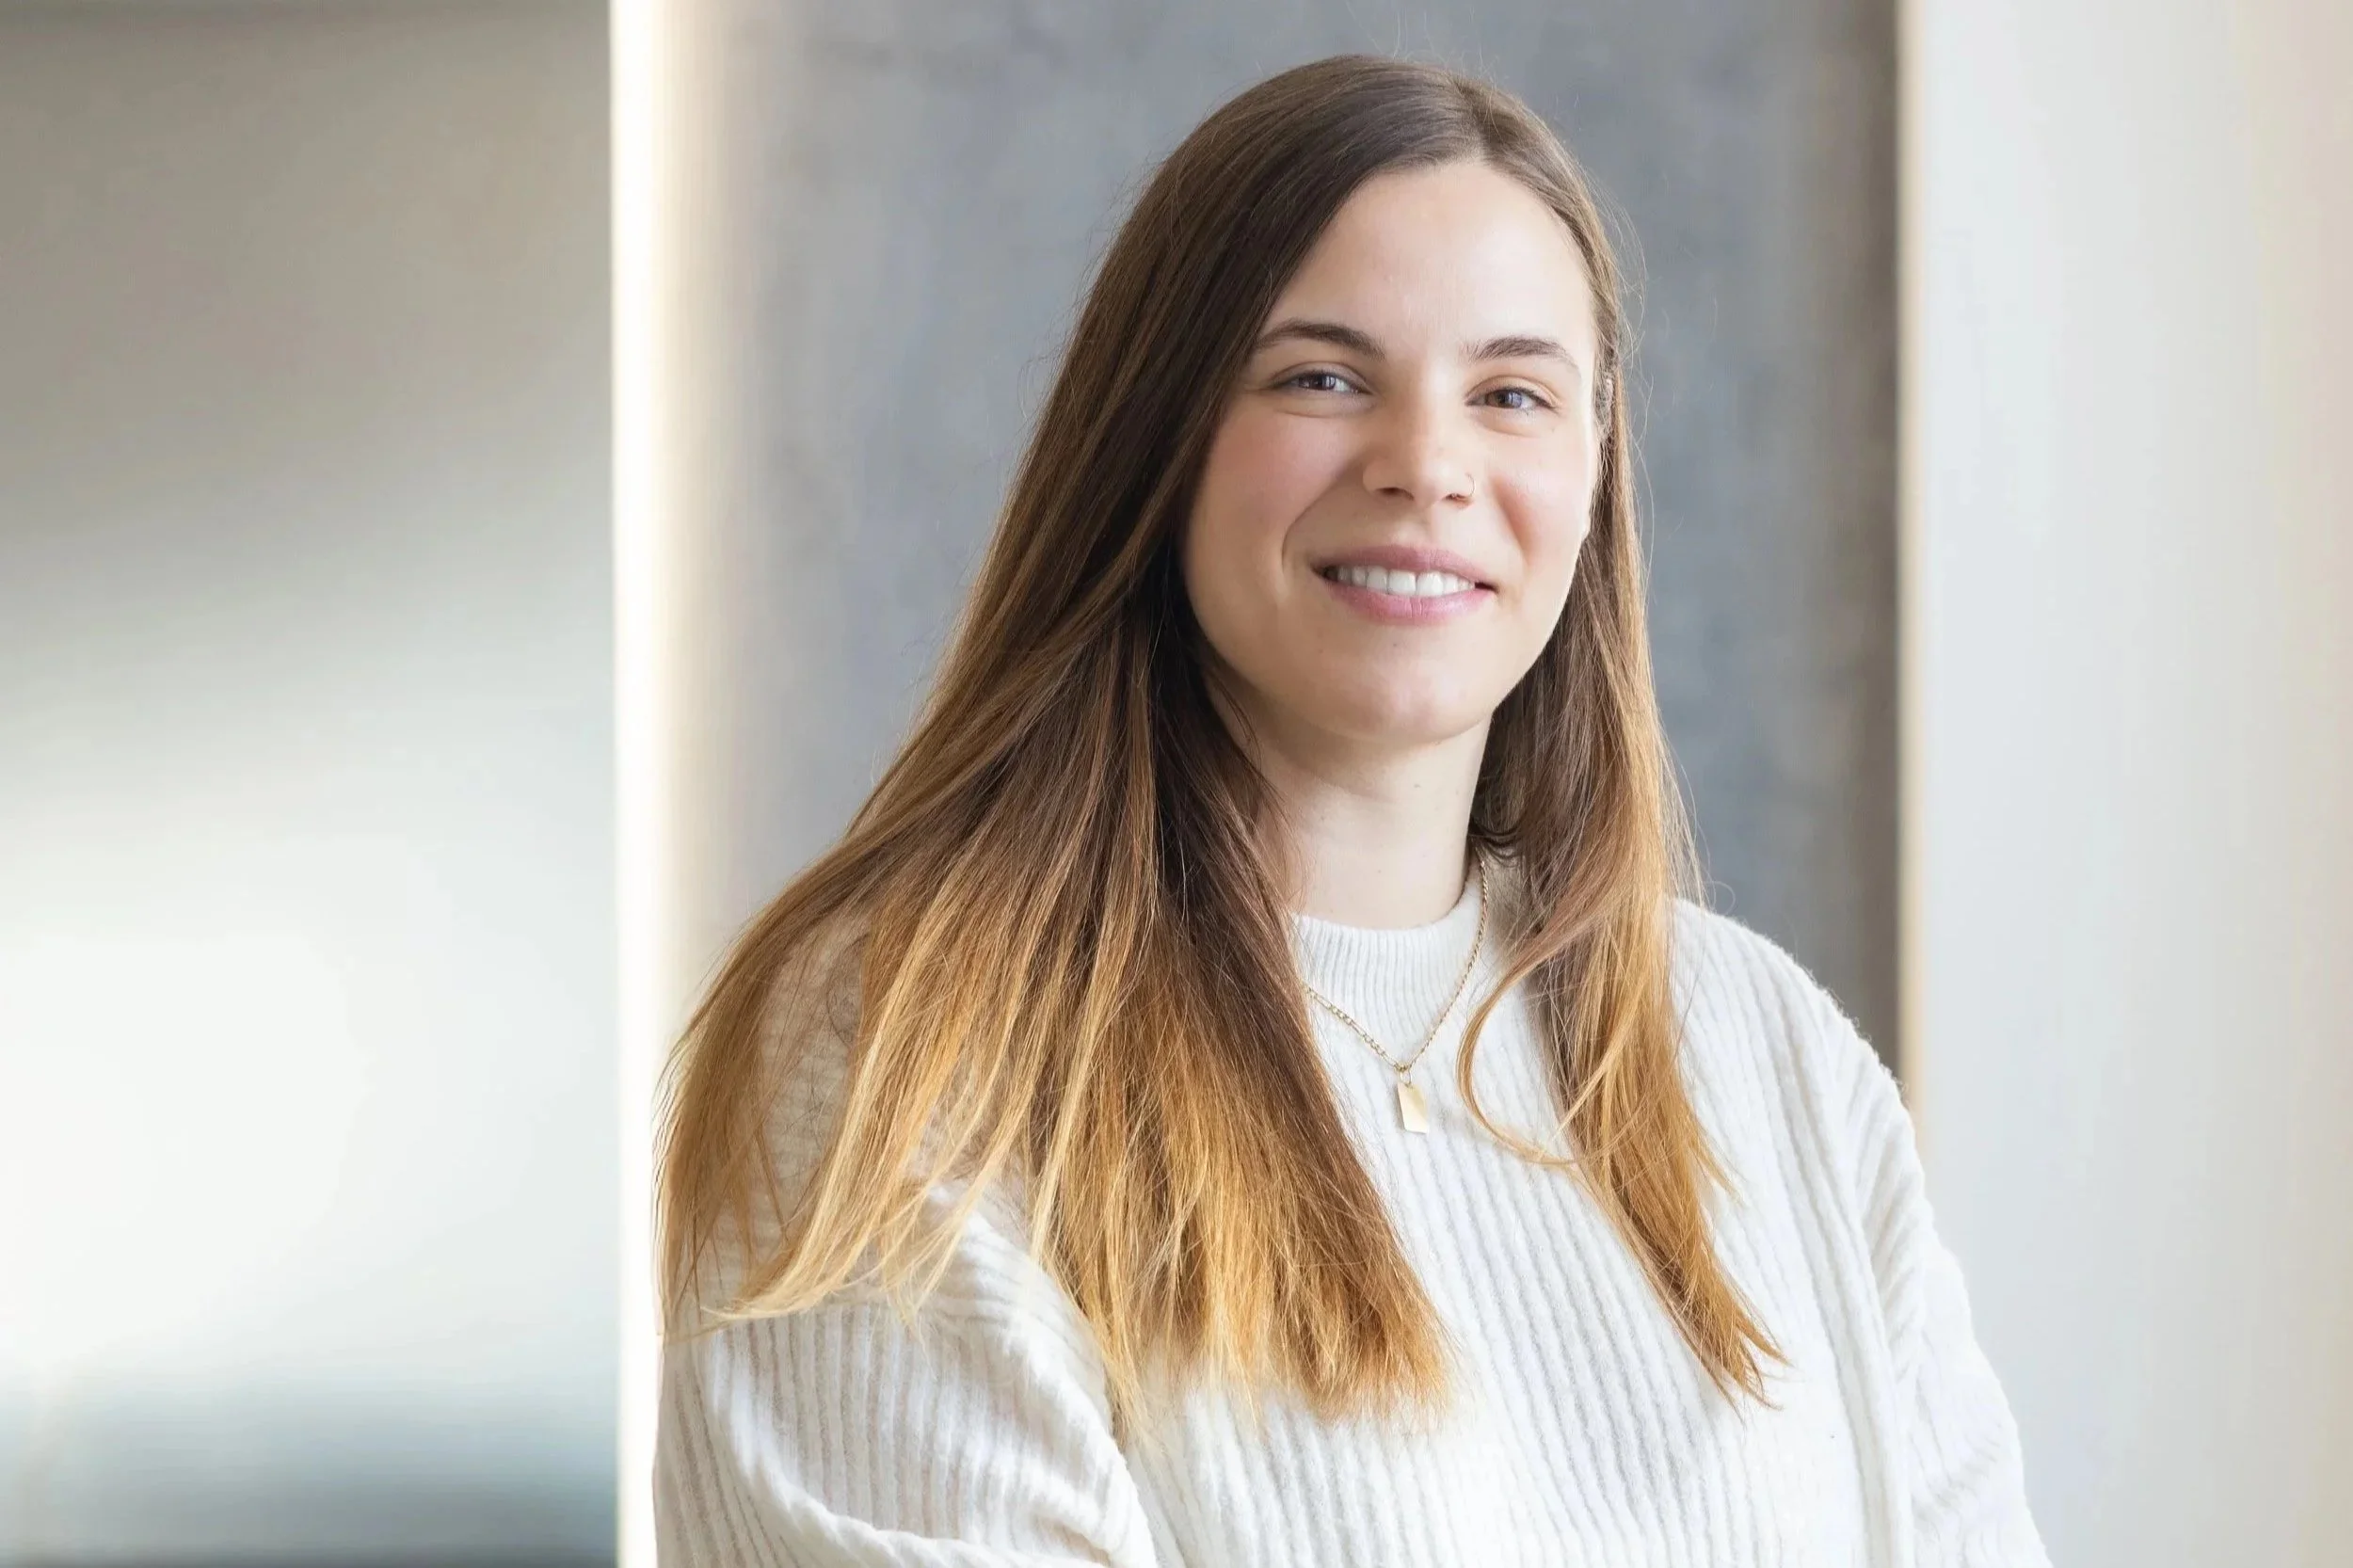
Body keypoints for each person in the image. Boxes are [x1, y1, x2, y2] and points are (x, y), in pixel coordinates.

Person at [650, 53, 2049, 1567]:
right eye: (1321, 377)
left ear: (1594, 473)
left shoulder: (1772, 1056)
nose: (1427, 466)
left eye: (1512, 394)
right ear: (1160, 436)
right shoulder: (905, 1049)